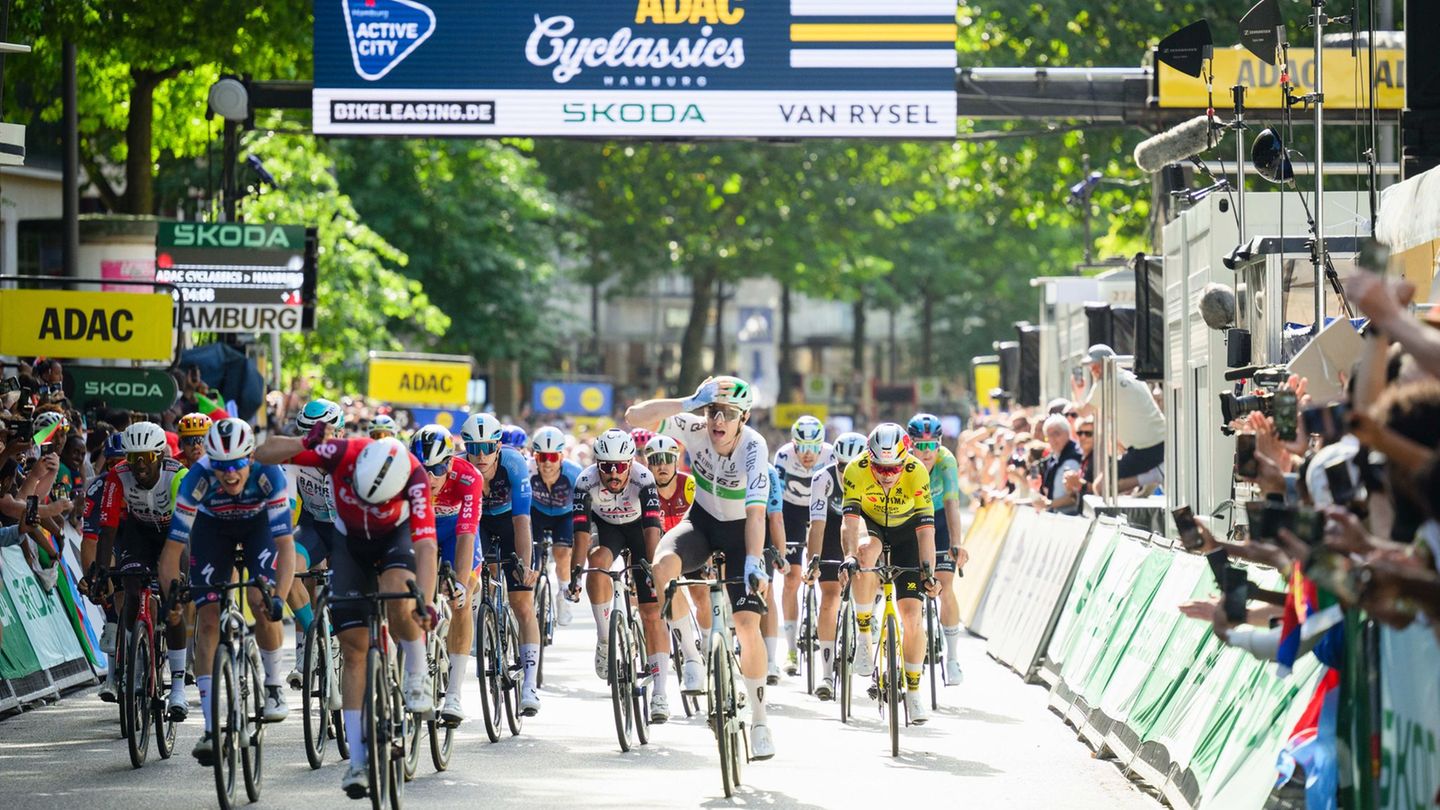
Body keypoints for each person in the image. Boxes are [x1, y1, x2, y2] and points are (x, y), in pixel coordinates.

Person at [254, 428, 436, 800]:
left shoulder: (415, 475)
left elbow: (427, 546)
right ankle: (358, 758)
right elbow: (263, 452)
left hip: (395, 540)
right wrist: (304, 443)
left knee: (402, 596)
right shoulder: (338, 452)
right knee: (353, 650)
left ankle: (417, 673)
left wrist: (427, 603)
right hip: (349, 545)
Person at [625, 375, 778, 760]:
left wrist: (756, 560)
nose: (717, 421)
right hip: (703, 523)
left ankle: (760, 721)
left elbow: (757, 514)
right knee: (661, 569)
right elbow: (634, 417)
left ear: (742, 417)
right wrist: (689, 400)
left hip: (743, 530)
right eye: (712, 411)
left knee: (746, 624)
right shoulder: (695, 426)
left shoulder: (753, 447)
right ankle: (692, 658)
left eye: (727, 413)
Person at [160, 418, 297, 766]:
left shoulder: (270, 475)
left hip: (258, 527)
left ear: (250, 458)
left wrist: (278, 597)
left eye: (237, 464)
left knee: (259, 600)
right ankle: (210, 726)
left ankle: (273, 685)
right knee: (207, 622)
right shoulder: (197, 478)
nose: (229, 474)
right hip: (213, 530)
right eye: (221, 467)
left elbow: (285, 546)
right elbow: (173, 549)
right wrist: (170, 598)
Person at [568, 429, 669, 721]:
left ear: (630, 463)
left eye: (620, 466)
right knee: (596, 561)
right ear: (597, 464)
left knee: (651, 611)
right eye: (607, 466)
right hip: (607, 529)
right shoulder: (585, 482)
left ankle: (660, 692)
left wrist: (651, 571)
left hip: (639, 531)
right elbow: (581, 533)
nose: (613, 473)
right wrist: (575, 575)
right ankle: (604, 638)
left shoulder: (644, 479)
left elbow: (652, 531)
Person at [842, 423, 940, 725]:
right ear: (869, 459)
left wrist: (929, 574)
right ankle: (862, 636)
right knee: (866, 552)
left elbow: (926, 532)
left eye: (893, 468)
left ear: (905, 459)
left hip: (907, 532)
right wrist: (849, 556)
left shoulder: (916, 472)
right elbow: (850, 522)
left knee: (912, 616)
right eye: (880, 468)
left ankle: (913, 690)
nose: (887, 475)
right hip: (871, 526)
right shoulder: (855, 470)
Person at [94, 422, 189, 718]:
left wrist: (183, 575)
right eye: (132, 457)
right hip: (138, 534)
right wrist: (99, 571)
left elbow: (187, 531)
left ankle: (177, 688)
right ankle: (133, 662)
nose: (139, 465)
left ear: (159, 455)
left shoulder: (178, 476)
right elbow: (107, 528)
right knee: (132, 588)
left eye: (146, 457)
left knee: (173, 605)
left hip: (173, 536)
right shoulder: (117, 475)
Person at [460, 412, 542, 716]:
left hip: (510, 522)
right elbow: (461, 527)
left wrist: (524, 565)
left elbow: (523, 521)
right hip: (477, 523)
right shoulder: (461, 467)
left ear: (498, 446)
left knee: (522, 601)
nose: (481, 455)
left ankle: (530, 685)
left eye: (488, 448)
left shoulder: (515, 464)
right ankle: (481, 621)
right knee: (468, 580)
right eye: (474, 448)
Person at [411, 424, 481, 726]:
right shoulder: (402, 474)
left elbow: (467, 534)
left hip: (455, 534)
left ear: (450, 463)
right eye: (423, 469)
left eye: (438, 468)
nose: (430, 477)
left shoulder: (469, 477)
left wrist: (461, 585)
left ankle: (453, 694)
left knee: (460, 600)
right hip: (419, 530)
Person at [283, 399, 344, 689]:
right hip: (314, 529)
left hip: (348, 533)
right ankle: (317, 640)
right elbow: (287, 505)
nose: (315, 442)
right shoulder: (296, 459)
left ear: (340, 433)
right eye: (308, 435)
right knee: (285, 569)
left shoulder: (354, 458)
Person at [906, 413, 971, 684]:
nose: (926, 452)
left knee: (945, 585)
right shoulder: (904, 463)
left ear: (939, 444)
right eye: (920, 446)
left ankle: (953, 658)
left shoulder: (946, 461)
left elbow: (953, 504)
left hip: (940, 518)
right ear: (910, 445)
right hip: (910, 519)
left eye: (931, 445)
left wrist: (956, 542)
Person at [805, 431, 866, 700]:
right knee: (829, 598)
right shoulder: (823, 479)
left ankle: (869, 618)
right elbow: (817, 526)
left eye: (855, 466)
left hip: (864, 529)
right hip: (831, 530)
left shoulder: (875, 477)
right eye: (842, 466)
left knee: (870, 570)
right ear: (835, 463)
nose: (847, 472)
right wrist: (814, 561)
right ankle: (827, 673)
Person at [771, 415, 832, 677]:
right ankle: (791, 648)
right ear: (794, 445)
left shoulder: (831, 455)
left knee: (828, 574)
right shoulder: (784, 457)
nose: (808, 454)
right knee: (792, 579)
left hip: (824, 510)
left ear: (822, 445)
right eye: (802, 448)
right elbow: (776, 498)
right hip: (793, 511)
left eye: (814, 448)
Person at [1071, 344, 1166, 491]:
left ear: (1107, 364)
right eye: (1091, 367)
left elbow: (1082, 413)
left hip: (1146, 449)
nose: (1093, 370)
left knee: (1100, 487)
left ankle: (1154, 475)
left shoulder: (1104, 384)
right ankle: (1152, 475)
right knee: (1118, 449)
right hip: (1163, 441)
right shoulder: (1133, 376)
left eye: (1096, 366)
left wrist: (1077, 392)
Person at [529, 425, 581, 625]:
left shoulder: (574, 473)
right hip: (537, 513)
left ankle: (563, 594)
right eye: (543, 457)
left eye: (552, 457)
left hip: (564, 515)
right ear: (536, 457)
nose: (547, 463)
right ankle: (532, 593)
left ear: (561, 457)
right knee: (534, 557)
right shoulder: (527, 470)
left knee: (562, 553)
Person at [1036, 414, 1084, 516]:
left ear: (1068, 433)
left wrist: (1048, 504)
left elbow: (1074, 497)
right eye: (1049, 436)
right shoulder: (1054, 458)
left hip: (1071, 518)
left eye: (1056, 434)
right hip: (1057, 516)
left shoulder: (1073, 457)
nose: (1052, 439)